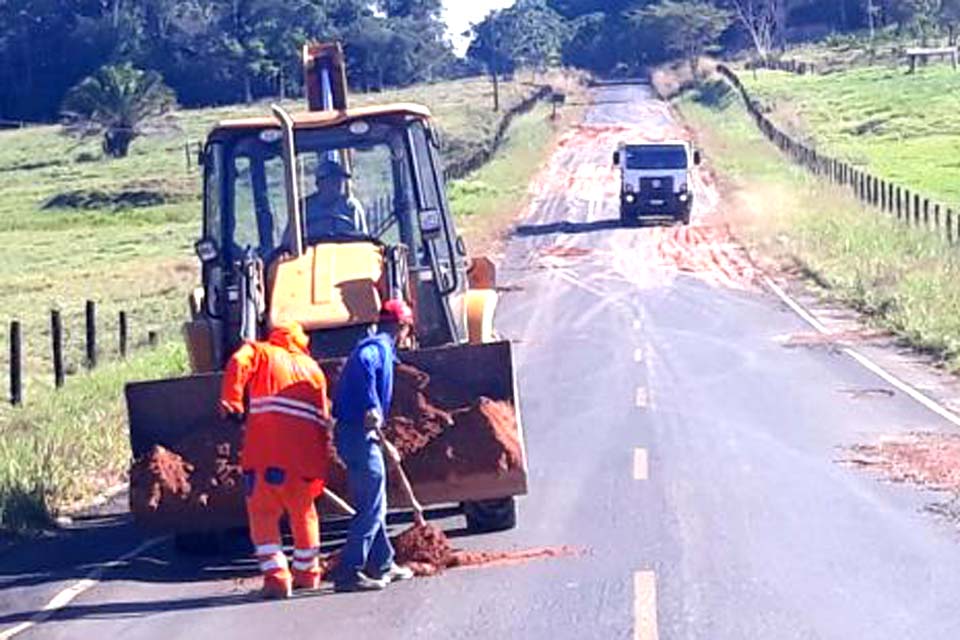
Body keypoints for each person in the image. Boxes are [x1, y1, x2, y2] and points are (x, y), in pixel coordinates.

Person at [219, 321, 332, 600]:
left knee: (263, 517)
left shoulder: (261, 352)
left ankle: (277, 579)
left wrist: (233, 401)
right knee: (304, 516)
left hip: (263, 459)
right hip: (301, 465)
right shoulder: (314, 371)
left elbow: (237, 360)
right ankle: (307, 574)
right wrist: (318, 472)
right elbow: (323, 423)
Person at [331, 299, 417, 592]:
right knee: (371, 507)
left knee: (374, 502)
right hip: (357, 434)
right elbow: (364, 361)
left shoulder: (383, 349)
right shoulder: (375, 347)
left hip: (358, 435)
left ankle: (383, 563)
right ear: (403, 327)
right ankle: (348, 571)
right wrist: (370, 405)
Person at [304, 159, 366, 241]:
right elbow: (289, 242)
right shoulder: (305, 208)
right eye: (333, 180)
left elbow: (364, 239)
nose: (339, 184)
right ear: (320, 183)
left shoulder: (351, 206)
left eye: (340, 180)